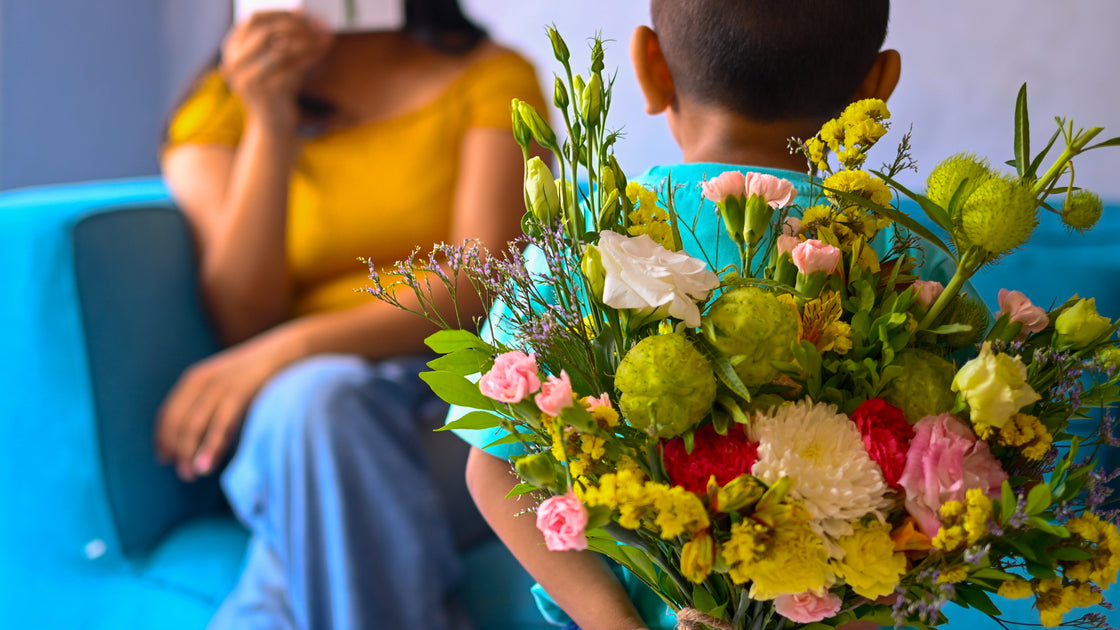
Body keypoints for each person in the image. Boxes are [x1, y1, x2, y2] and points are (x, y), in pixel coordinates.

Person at [451, 1, 917, 629]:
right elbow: (946, 480)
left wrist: (613, 622)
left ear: (650, 66)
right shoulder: (895, 256)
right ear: (878, 87)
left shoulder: (591, 235)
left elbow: (495, 463)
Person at [156, 2, 547, 628]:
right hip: (302, 412)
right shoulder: (219, 111)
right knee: (318, 403)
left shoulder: (490, 77)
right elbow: (242, 317)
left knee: (278, 582)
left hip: (458, 400)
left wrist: (288, 349)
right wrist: (270, 121)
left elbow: (482, 281)